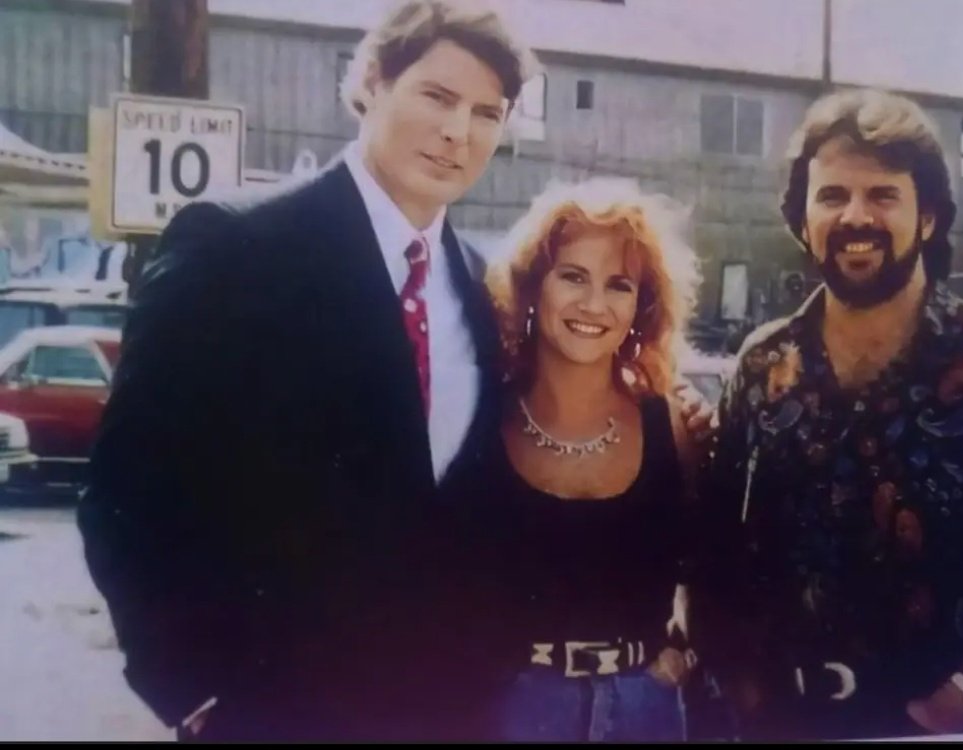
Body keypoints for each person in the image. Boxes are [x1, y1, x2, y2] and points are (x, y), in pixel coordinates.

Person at [77, 0, 539, 740]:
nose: (459, 131)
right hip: (271, 713)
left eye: (488, 112)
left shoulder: (483, 290)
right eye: (437, 96)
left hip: (444, 715)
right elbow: (128, 492)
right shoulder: (234, 246)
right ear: (372, 83)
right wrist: (189, 689)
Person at [698, 88, 963, 741]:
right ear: (802, 218)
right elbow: (716, 553)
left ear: (927, 218)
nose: (856, 216)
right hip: (790, 722)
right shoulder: (763, 367)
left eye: (882, 195)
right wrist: (747, 691)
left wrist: (960, 699)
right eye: (832, 196)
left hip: (954, 726)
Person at [447, 177, 704, 741]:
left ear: (642, 304)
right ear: (533, 286)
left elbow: (710, 562)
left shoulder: (674, 423)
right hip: (510, 714)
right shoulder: (477, 416)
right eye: (572, 276)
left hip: (647, 711)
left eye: (619, 285)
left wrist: (684, 652)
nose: (594, 305)